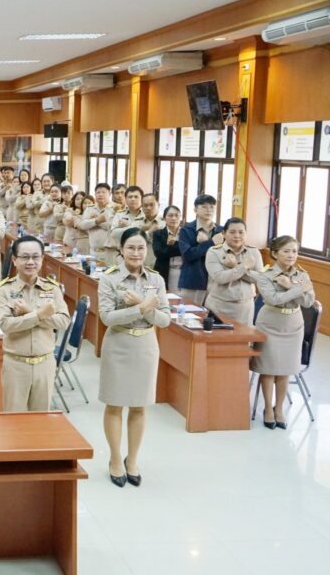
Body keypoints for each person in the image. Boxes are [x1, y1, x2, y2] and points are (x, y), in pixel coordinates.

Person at [98, 228, 171, 488]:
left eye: (141, 248)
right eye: (131, 247)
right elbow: (107, 317)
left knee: (140, 406)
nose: (136, 253)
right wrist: (142, 307)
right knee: (115, 404)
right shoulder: (109, 278)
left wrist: (143, 305)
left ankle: (133, 460)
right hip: (118, 344)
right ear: (121, 250)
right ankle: (115, 458)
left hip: (146, 345)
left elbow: (165, 319)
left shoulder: (156, 280)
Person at [0, 236, 71, 412]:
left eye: (35, 257)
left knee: (41, 420)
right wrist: (40, 315)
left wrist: (29, 312)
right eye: (25, 257)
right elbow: (6, 325)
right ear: (14, 260)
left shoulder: (52, 288)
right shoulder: (4, 289)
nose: (30, 262)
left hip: (45, 363)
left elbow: (63, 321)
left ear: (42, 259)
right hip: (16, 364)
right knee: (14, 420)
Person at [251, 236, 315, 430]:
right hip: (270, 323)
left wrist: (291, 287)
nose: (291, 255)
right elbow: (273, 299)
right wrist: (298, 290)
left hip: (293, 325)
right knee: (268, 368)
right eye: (286, 251)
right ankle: (267, 409)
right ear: (275, 253)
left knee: (285, 369)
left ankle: (279, 409)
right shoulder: (265, 275)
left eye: (294, 251)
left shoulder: (302, 274)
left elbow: (309, 302)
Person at [204, 217, 262, 325]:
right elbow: (220, 278)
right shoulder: (214, 252)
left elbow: (259, 278)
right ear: (224, 233)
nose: (237, 236)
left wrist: (235, 266)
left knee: (244, 336)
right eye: (232, 232)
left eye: (241, 232)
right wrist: (244, 266)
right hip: (218, 305)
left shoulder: (253, 252)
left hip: (245, 307)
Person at [178, 194, 223, 305]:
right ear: (195, 210)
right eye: (204, 207)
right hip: (193, 280)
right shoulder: (186, 230)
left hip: (216, 282)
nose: (209, 210)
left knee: (212, 314)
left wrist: (206, 242)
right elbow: (187, 255)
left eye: (211, 207)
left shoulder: (221, 231)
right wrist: (211, 243)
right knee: (189, 313)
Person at [76, 183, 115, 267]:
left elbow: (112, 226)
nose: (100, 194)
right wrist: (97, 220)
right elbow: (82, 225)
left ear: (109, 194)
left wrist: (94, 222)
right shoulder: (90, 209)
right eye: (98, 192)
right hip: (93, 252)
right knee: (92, 273)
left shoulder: (114, 209)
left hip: (109, 253)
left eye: (103, 192)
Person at [151, 206, 183, 292]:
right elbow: (158, 253)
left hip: (183, 271)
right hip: (164, 271)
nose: (174, 218)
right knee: (162, 295)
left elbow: (188, 250)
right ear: (164, 218)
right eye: (170, 215)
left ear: (180, 217)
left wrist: (174, 244)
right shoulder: (158, 233)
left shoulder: (186, 233)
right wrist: (177, 247)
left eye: (177, 215)